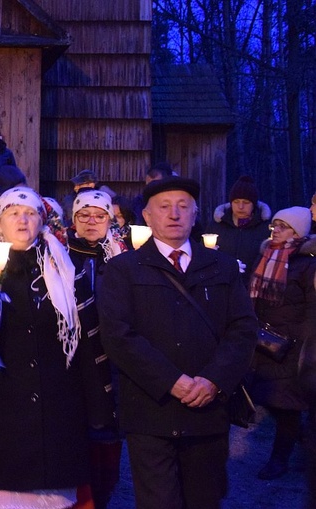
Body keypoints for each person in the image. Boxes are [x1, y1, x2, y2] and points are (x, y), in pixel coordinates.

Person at [97, 176, 257, 509]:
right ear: (147, 215)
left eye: (183, 207)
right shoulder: (124, 269)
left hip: (207, 411)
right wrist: (172, 381)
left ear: (195, 214)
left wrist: (213, 380)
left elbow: (242, 329)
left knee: (205, 499)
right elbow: (118, 335)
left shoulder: (222, 267)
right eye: (164, 207)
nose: (174, 214)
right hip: (150, 412)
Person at [0, 186, 115, 509]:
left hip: (57, 409)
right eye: (13, 213)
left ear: (41, 221)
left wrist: (100, 409)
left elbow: (86, 340)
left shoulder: (65, 269)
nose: (22, 220)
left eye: (30, 213)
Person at [66, 190, 126, 508]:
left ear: (109, 220)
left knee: (107, 439)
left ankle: (102, 493)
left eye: (99, 215)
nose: (92, 221)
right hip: (75, 359)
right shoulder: (59, 257)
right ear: (74, 220)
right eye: (84, 215)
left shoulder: (120, 258)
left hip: (112, 362)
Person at [248, 206, 316, 480]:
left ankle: (279, 460)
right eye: (274, 225)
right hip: (263, 342)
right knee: (267, 400)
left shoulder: (307, 264)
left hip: (292, 347)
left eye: (282, 226)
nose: (275, 230)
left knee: (286, 405)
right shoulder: (265, 255)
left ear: (297, 232)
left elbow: (313, 310)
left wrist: (302, 344)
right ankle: (302, 436)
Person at [205, 175, 271, 286]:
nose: (240, 207)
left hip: (253, 287)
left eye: (246, 202)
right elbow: (202, 254)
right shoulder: (217, 225)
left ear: (254, 204)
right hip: (221, 285)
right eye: (236, 202)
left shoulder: (265, 228)